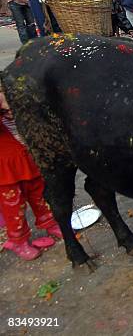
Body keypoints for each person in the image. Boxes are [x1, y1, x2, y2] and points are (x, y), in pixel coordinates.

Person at [0, 91, 62, 261]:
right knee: (14, 206)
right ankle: (18, 241)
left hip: (25, 158)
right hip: (5, 169)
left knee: (40, 195)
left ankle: (51, 223)